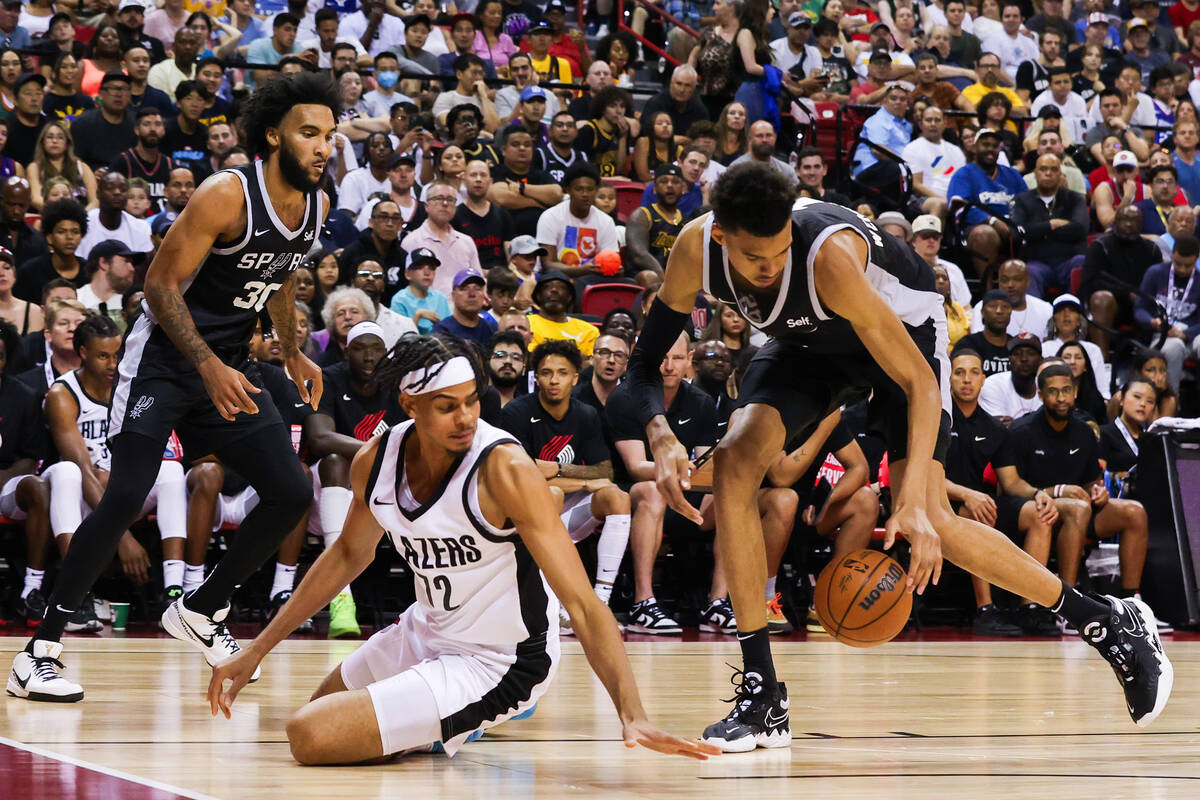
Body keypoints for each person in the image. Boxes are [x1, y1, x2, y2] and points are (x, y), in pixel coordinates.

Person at [624, 162, 1171, 750]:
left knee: (934, 519)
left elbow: (916, 382)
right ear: (722, 236)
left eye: (780, 252)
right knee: (734, 464)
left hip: (905, 344)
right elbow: (641, 367)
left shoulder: (827, 258)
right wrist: (659, 430)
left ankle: (1105, 619)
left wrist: (909, 503)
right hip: (811, 345)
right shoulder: (693, 250)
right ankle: (763, 694)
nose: (770, 268)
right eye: (756, 260)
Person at [205, 332, 716, 763]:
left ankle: (455, 718)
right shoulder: (375, 459)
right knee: (323, 708)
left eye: (472, 400)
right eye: (447, 407)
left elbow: (582, 604)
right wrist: (257, 648)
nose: (466, 418)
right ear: (409, 405)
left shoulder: (504, 469)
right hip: (425, 629)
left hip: (502, 661)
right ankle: (447, 725)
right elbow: (346, 555)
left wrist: (633, 712)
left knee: (310, 735)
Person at [7, 73, 338, 703]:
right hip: (162, 360)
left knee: (291, 491)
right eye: (309, 133)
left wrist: (292, 350)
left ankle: (201, 607)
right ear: (274, 135)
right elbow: (157, 288)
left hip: (229, 363)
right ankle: (39, 652)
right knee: (126, 492)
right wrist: (209, 364)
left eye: (329, 135)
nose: (324, 146)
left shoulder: (315, 204)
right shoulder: (224, 194)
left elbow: (285, 272)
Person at [41, 313, 190, 628]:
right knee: (68, 472)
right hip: (82, 491)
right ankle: (75, 597)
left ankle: (174, 592)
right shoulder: (62, 394)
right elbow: (83, 469)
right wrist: (122, 537)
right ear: (82, 352)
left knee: (171, 472)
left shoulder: (132, 387)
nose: (112, 364)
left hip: (118, 489)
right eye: (102, 356)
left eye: (116, 355)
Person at [500, 339, 632, 633]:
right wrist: (581, 480)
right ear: (536, 378)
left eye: (562, 373)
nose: (554, 380)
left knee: (616, 497)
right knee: (552, 493)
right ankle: (555, 608)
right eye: (547, 373)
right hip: (526, 517)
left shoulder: (585, 414)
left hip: (568, 511)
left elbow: (604, 472)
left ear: (575, 377)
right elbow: (522, 476)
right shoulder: (516, 413)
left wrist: (557, 469)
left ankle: (601, 604)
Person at [1010, 364, 1154, 626]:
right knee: (1078, 508)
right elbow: (1011, 485)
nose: (1061, 397)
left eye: (1066, 390)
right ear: (1040, 394)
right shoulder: (1022, 431)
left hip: (1080, 510)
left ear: (1075, 391)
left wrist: (1098, 492)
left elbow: (1091, 483)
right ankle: (1067, 603)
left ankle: (1129, 604)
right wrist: (1056, 492)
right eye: (1053, 392)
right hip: (1035, 507)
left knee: (1134, 512)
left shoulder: (1085, 432)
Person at [943, 348, 1068, 638]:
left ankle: (1032, 606)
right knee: (979, 512)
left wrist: (1038, 494)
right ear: (949, 378)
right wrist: (967, 494)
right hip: (941, 503)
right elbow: (924, 475)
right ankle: (986, 610)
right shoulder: (938, 419)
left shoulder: (994, 427)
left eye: (974, 372)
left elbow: (1011, 483)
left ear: (983, 379)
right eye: (959, 372)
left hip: (979, 502)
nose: (966, 380)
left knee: (1040, 515)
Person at [1082, 206, 1163, 358]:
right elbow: (1091, 281)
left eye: (1134, 220)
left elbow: (1159, 284)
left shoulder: (1152, 249)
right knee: (1101, 298)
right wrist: (1127, 294)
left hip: (1145, 305)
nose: (1128, 224)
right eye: (1124, 219)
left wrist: (1142, 298)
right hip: (1112, 307)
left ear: (1141, 224)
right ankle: (1102, 361)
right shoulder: (1100, 246)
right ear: (1115, 222)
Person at [947, 128, 1027, 279]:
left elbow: (1027, 202)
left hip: (1012, 226)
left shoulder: (1012, 175)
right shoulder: (963, 174)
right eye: (985, 144)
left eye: (995, 145)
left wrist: (1017, 223)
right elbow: (959, 208)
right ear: (975, 147)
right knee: (984, 234)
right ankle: (988, 290)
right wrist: (993, 221)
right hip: (975, 227)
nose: (990, 149)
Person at [1011, 154, 1089, 299]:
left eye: (1054, 169)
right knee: (1028, 271)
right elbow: (1018, 232)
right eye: (1043, 169)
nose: (1048, 173)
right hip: (1037, 262)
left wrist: (1037, 230)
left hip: (1069, 260)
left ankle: (1078, 315)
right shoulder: (1022, 200)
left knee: (1081, 262)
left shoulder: (1074, 198)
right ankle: (1035, 320)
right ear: (1035, 173)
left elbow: (1080, 229)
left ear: (1060, 174)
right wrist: (1051, 224)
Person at [1135, 234, 1200, 393]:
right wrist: (1151, 321)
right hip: (1163, 333)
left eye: (1188, 265)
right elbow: (1139, 308)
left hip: (1191, 334)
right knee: (1173, 347)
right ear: (1172, 255)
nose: (1182, 269)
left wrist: (1186, 334)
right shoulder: (1155, 273)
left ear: (1196, 259)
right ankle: (1171, 400)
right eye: (1178, 264)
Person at [536, 162, 619, 279]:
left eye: (590, 189)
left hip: (593, 276)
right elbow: (548, 264)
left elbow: (610, 260)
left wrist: (614, 267)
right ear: (568, 190)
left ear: (596, 191)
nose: (585, 194)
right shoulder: (550, 216)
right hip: (559, 277)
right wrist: (580, 270)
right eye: (579, 189)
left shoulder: (606, 221)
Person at [403, 180, 483, 297]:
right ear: (427, 206)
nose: (445, 203)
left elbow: (478, 280)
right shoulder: (411, 242)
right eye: (439, 198)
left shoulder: (466, 242)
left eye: (450, 200)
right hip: (428, 309)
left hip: (463, 309)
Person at [487, 127, 563, 237]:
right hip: (507, 237)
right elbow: (500, 198)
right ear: (504, 150)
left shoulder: (541, 174)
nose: (522, 148)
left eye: (527, 145)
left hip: (542, 237)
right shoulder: (496, 172)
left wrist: (521, 188)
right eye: (516, 144)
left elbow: (557, 194)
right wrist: (537, 204)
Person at [109, 107, 174, 214]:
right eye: (147, 124)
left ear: (163, 130)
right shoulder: (123, 162)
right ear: (137, 129)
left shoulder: (169, 164)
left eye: (157, 124)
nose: (152, 129)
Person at [454, 159, 515, 271]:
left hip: (501, 277)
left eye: (483, 175)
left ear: (490, 181)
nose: (478, 179)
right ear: (464, 181)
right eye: (473, 175)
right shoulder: (455, 216)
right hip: (470, 276)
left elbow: (510, 254)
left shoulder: (503, 214)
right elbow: (456, 259)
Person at [70, 71, 136, 171]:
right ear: (101, 94)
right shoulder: (83, 123)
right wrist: (90, 175)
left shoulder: (136, 124)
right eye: (113, 89)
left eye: (124, 89)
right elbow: (74, 160)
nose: (118, 94)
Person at [971, 260, 1053, 339]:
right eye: (1004, 280)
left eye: (1017, 279)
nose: (1010, 285)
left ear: (1028, 281)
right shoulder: (984, 307)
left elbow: (1052, 344)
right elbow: (979, 343)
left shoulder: (1046, 309)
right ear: (999, 282)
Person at [626, 164, 685, 274]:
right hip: (644, 273)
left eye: (676, 182)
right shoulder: (642, 215)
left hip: (673, 276)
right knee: (649, 276)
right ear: (654, 188)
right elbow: (639, 255)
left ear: (683, 188)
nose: (670, 185)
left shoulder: (686, 222)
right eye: (663, 181)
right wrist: (662, 277)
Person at [528, 270, 599, 356]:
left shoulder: (589, 331)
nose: (554, 290)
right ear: (538, 296)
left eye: (561, 287)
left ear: (569, 297)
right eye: (547, 287)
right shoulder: (525, 324)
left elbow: (590, 363)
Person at [979, 332, 1045, 425]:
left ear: (1041, 360)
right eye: (1017, 354)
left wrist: (1014, 424)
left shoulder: (1047, 386)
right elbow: (999, 430)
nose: (1024, 359)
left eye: (1030, 353)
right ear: (1009, 359)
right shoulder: (993, 384)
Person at [77, 240, 135, 330]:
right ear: (103, 263)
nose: (132, 268)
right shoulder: (76, 299)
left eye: (132, 263)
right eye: (126, 261)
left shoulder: (131, 304)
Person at [432, 268, 498, 348]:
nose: (472, 294)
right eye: (464, 289)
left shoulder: (492, 329)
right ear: (453, 295)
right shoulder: (442, 331)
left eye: (477, 288)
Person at [730, 120, 797, 185]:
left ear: (775, 138)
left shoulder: (786, 171)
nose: (764, 140)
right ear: (750, 139)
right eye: (759, 136)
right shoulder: (736, 169)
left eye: (768, 135)